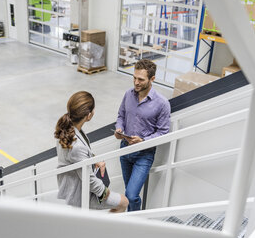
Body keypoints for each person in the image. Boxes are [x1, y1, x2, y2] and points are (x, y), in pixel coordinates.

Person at [55, 91, 128, 212]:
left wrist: (94, 160)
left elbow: (76, 158)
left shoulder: (67, 128)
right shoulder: (76, 146)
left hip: (75, 184)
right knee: (123, 202)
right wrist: (105, 191)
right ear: (88, 115)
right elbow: (89, 178)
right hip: (81, 193)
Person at [114, 59, 171, 211]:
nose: (136, 82)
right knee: (128, 194)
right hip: (125, 150)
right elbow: (121, 115)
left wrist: (144, 140)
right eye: (134, 78)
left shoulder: (162, 103)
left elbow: (163, 132)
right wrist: (119, 129)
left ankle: (135, 223)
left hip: (143, 155)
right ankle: (131, 220)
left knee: (132, 195)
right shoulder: (128, 94)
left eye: (141, 79)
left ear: (152, 79)